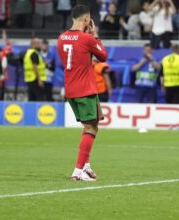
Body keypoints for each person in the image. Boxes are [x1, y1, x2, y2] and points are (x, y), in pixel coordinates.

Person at [57, 5, 108, 181]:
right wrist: (94, 35)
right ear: (86, 19)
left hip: (70, 89)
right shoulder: (87, 39)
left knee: (90, 126)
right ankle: (78, 171)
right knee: (90, 127)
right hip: (85, 89)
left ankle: (86, 166)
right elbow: (103, 56)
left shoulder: (62, 37)